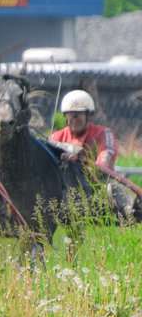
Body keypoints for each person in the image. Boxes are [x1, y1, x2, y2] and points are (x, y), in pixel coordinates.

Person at [49, 89, 138, 220]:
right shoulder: (55, 137)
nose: (74, 119)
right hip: (65, 189)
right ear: (65, 116)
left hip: (96, 185)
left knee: (112, 187)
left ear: (87, 115)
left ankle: (131, 213)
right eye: (71, 115)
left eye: (78, 115)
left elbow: (106, 156)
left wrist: (86, 160)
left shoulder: (103, 133)